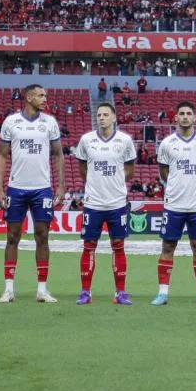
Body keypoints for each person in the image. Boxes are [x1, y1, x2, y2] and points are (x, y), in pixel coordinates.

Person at [0, 84, 66, 303]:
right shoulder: (11, 122)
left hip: (42, 188)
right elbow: (2, 156)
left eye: (46, 94)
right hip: (16, 188)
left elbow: (58, 155)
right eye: (41, 95)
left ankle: (42, 289)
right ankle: (8, 289)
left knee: (42, 237)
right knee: (12, 237)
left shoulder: (50, 123)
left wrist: (61, 186)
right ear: (28, 97)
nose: (45, 98)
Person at [152, 101, 196, 307]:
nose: (185, 117)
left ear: (195, 117)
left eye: (189, 113)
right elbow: (163, 171)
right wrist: (175, 184)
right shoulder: (167, 143)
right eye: (181, 113)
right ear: (176, 117)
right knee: (168, 245)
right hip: (174, 204)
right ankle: (162, 293)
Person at [73, 104, 137, 305]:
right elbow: (82, 167)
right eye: (99, 115)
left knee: (118, 247)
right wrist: (94, 183)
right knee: (89, 247)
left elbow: (130, 168)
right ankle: (85, 292)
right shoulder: (86, 140)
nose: (101, 118)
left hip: (117, 203)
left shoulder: (125, 140)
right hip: (93, 203)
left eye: (106, 115)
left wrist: (116, 182)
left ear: (114, 118)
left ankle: (120, 292)